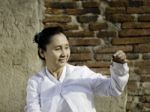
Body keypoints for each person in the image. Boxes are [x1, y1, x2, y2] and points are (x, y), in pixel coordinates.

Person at [25, 26, 129, 112]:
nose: (64, 54)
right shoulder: (35, 82)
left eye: (66, 47)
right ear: (42, 52)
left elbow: (113, 88)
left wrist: (119, 67)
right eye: (58, 49)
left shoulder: (82, 74)